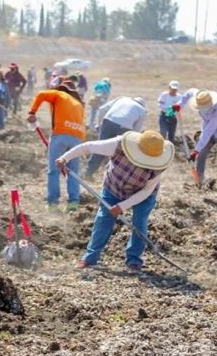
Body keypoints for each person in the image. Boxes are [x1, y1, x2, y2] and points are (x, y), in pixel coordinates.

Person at [57, 130, 174, 271]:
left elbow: (146, 191)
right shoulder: (119, 145)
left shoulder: (159, 165)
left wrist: (122, 206)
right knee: (103, 219)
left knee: (139, 223)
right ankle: (90, 258)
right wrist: (65, 158)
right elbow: (87, 147)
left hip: (142, 195)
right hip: (114, 187)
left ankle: (134, 260)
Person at [27, 81, 86, 212]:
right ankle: (73, 203)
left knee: (54, 171)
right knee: (73, 172)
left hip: (60, 135)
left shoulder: (58, 94)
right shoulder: (78, 103)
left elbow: (41, 94)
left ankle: (53, 203)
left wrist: (32, 112)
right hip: (77, 138)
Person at [85, 97, 147, 179]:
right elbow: (136, 130)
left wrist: (100, 125)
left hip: (108, 121)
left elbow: (102, 109)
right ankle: (114, 176)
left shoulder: (122, 99)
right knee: (120, 153)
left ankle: (89, 172)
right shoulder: (142, 110)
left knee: (100, 147)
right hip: (125, 127)